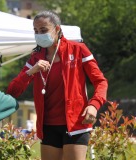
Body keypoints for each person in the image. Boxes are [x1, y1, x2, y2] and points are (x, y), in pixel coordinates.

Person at [7, 11, 108, 160]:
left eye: (43, 30)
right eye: (36, 31)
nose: (39, 35)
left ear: (58, 29)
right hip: (48, 126)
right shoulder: (35, 56)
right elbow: (12, 91)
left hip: (76, 124)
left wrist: (94, 105)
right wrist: (31, 71)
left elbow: (101, 81)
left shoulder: (78, 49)